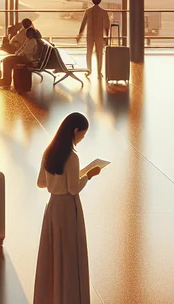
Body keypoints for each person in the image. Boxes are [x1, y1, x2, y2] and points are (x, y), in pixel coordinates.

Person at [34, 112, 100, 304]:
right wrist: (89, 176)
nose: (82, 139)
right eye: (82, 135)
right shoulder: (72, 157)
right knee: (71, 257)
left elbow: (41, 182)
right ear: (75, 131)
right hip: (68, 210)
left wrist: (58, 182)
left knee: (52, 256)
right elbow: (73, 189)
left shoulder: (49, 152)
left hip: (52, 207)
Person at [75, 0, 111, 78]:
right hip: (99, 35)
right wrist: (106, 36)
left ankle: (89, 70)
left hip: (90, 35)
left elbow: (83, 24)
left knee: (89, 52)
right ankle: (99, 71)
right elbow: (107, 25)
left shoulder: (88, 11)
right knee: (99, 53)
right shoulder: (103, 12)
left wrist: (79, 35)